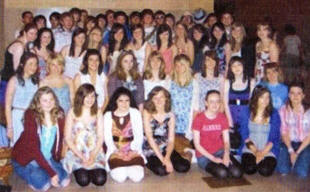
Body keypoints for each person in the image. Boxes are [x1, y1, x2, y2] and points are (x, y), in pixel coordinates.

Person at [11, 87, 70, 191]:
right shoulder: (30, 115)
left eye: (51, 99)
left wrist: (56, 161)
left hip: (46, 156)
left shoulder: (59, 113)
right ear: (38, 102)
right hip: (28, 157)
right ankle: (24, 170)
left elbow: (59, 139)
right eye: (45, 100)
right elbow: (33, 148)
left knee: (64, 181)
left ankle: (44, 169)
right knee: (44, 185)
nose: (49, 103)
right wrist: (51, 173)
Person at [63, 84, 107, 187]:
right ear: (80, 97)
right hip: (77, 152)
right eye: (87, 96)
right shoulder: (72, 112)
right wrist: (82, 156)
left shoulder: (98, 111)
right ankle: (84, 170)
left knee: (100, 180)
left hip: (94, 151)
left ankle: (90, 169)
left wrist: (92, 155)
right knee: (83, 180)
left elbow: (101, 137)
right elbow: (68, 138)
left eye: (92, 96)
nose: (90, 99)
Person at [193, 90, 243, 179]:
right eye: (211, 101)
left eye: (217, 101)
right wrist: (213, 159)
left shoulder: (222, 117)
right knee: (222, 173)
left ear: (220, 103)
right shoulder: (198, 119)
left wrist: (226, 155)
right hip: (204, 156)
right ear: (206, 103)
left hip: (220, 151)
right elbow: (197, 145)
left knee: (237, 173)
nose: (215, 104)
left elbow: (226, 141)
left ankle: (225, 165)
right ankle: (220, 167)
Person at [143, 86, 190, 176]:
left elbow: (171, 140)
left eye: (161, 97)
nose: (159, 100)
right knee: (162, 171)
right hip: (151, 149)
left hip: (165, 147)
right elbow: (150, 138)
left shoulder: (170, 114)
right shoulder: (147, 112)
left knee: (183, 167)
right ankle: (146, 162)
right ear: (151, 100)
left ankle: (188, 154)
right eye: (155, 98)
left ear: (166, 98)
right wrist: (163, 159)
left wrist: (167, 158)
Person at [103, 87, 145, 183]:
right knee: (120, 177)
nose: (124, 104)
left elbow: (139, 135)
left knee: (137, 177)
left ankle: (129, 166)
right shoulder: (108, 115)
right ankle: (123, 167)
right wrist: (116, 152)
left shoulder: (135, 113)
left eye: (127, 100)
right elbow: (107, 138)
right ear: (115, 101)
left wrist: (133, 151)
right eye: (121, 101)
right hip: (115, 151)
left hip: (133, 151)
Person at [239, 86, 281, 177]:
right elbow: (244, 135)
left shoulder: (274, 113)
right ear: (255, 98)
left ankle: (263, 161)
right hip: (250, 148)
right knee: (249, 169)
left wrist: (262, 153)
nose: (265, 100)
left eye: (267, 97)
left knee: (265, 171)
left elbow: (274, 137)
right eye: (262, 97)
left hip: (268, 149)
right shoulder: (246, 111)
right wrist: (256, 152)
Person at [170, 54, 199, 167]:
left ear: (187, 66)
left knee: (183, 140)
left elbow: (196, 107)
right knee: (173, 140)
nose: (179, 67)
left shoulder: (194, 83)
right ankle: (185, 152)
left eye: (182, 64)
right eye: (176, 65)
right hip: (174, 121)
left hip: (187, 122)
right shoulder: (170, 81)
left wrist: (192, 126)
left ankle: (186, 151)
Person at [277, 82, 310, 178]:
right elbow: (284, 132)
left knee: (302, 173)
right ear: (288, 95)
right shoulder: (283, 110)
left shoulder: (308, 111)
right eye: (292, 93)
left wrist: (297, 152)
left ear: (303, 95)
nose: (295, 96)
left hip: (305, 144)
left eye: (298, 93)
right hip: (288, 143)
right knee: (283, 170)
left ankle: (300, 160)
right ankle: (293, 160)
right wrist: (291, 151)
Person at [5, 52, 39, 145]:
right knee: (18, 145)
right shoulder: (14, 80)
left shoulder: (36, 81)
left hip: (32, 116)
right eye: (30, 64)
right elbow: (8, 105)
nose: (33, 67)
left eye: (35, 64)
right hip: (17, 117)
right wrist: (10, 127)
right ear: (22, 64)